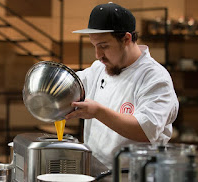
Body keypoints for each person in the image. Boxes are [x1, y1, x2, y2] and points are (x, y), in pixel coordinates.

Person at [65, 2, 179, 172]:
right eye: (95, 46)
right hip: (96, 170)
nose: (98, 55)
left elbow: (145, 131)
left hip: (135, 174)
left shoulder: (154, 77)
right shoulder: (99, 69)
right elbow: (70, 85)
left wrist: (97, 111)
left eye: (104, 46)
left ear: (126, 38)